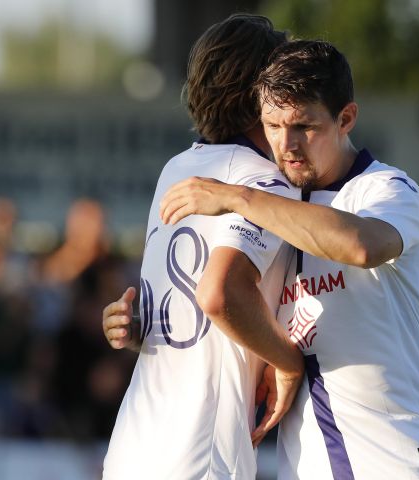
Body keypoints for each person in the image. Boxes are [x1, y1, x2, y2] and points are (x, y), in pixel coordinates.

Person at [160, 40, 419, 479]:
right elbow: (219, 303)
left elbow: (362, 246)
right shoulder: (272, 205)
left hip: (402, 460)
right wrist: (137, 321)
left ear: (346, 118)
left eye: (304, 126)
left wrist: (237, 196)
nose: (286, 144)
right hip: (310, 465)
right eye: (272, 125)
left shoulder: (388, 189)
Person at [100, 14, 304, 479]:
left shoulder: (177, 168)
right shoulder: (262, 180)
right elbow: (219, 294)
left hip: (134, 447)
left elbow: (185, 316)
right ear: (264, 94)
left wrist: (134, 327)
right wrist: (286, 361)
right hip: (200, 455)